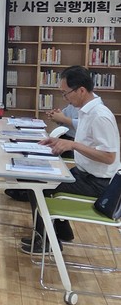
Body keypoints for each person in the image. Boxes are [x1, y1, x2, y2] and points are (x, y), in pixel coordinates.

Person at [23, 66, 120, 253]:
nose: (65, 98)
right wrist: (58, 142)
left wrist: (73, 145)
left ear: (81, 90)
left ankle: (47, 241)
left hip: (99, 183)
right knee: (38, 180)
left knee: (38, 187)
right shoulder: (86, 111)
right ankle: (61, 232)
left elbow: (109, 157)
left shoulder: (100, 116)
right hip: (83, 173)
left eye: (66, 93)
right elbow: (88, 143)